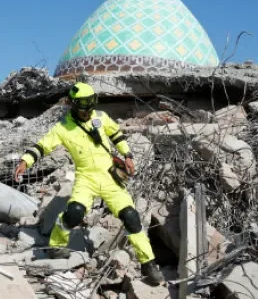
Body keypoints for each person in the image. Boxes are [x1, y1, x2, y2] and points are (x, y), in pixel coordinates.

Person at [14, 82, 165, 286]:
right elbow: (43, 146)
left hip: (110, 177)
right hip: (86, 178)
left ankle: (149, 263)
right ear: (73, 106)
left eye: (90, 108)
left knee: (130, 216)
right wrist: (25, 161)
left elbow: (116, 134)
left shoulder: (101, 118)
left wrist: (127, 154)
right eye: (83, 110)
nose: (87, 114)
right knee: (74, 212)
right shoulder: (62, 128)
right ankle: (57, 244)